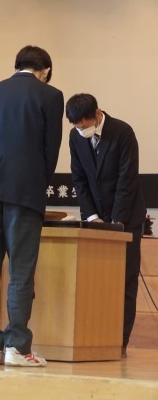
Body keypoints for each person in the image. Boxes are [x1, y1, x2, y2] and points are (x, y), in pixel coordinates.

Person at [0, 46, 63, 367]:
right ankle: (17, 347)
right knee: (21, 271)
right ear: (45, 70)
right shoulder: (50, 95)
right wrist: (38, 183)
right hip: (24, 190)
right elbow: (50, 149)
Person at [66, 93, 145, 358]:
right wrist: (91, 217)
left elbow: (127, 179)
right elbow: (79, 179)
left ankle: (120, 342)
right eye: (76, 126)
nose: (81, 130)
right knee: (96, 282)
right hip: (96, 220)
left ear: (97, 113)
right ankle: (97, 338)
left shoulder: (122, 132)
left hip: (126, 219)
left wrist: (116, 222)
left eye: (84, 125)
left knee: (124, 282)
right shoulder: (76, 137)